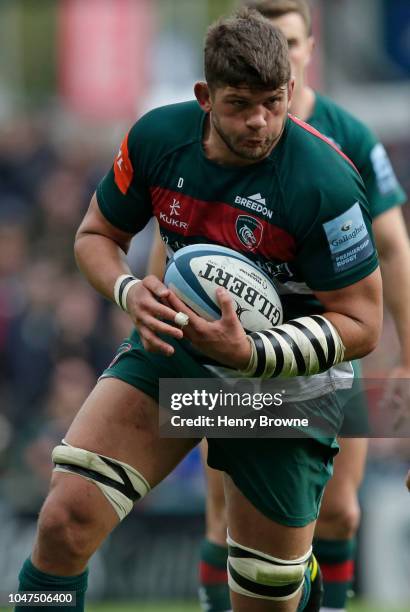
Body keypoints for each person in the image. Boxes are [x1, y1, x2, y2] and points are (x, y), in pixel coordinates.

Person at [15, 9, 382, 612]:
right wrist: (131, 292)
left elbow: (364, 323)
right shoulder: (158, 139)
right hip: (177, 352)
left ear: (290, 90)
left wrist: (254, 353)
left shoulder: (326, 181)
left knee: (264, 596)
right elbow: (95, 235)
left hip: (286, 387)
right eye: (240, 104)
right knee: (64, 520)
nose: (261, 121)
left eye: (273, 101)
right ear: (204, 96)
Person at [150, 2, 408, 612]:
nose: (283, 56)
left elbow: (393, 249)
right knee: (224, 517)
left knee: (341, 512)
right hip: (227, 351)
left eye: (291, 43)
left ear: (308, 51)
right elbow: (178, 238)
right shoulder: (213, 132)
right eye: (272, 43)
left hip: (327, 351)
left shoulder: (348, 138)